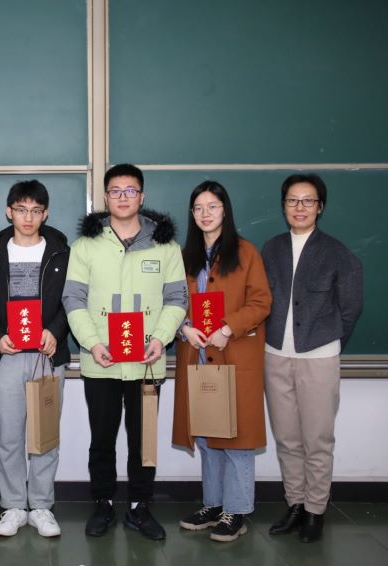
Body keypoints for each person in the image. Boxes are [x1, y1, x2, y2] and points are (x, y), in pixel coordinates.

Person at [62, 163, 187, 541]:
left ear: (142, 197)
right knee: (102, 437)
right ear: (105, 197)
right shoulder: (85, 246)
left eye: (130, 190)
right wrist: (93, 343)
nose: (122, 197)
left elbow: (177, 299)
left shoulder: (166, 247)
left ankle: (139, 506)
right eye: (115, 191)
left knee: (142, 439)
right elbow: (73, 299)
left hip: (147, 363)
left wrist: (160, 338)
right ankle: (102, 503)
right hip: (101, 360)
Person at [261, 173, 363, 543]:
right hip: (274, 355)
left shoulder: (337, 253)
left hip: (319, 357)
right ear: (283, 206)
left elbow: (350, 309)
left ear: (320, 207)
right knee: (287, 439)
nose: (299, 207)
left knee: (317, 439)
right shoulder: (271, 249)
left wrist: (328, 342)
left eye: (308, 200)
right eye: (292, 200)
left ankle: (315, 511)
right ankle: (295, 504)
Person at [171, 181, 272, 542]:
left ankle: (237, 510)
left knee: (235, 438)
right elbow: (172, 302)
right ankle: (213, 504)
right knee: (205, 434)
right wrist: (184, 328)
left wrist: (228, 328)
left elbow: (261, 302)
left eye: (212, 206)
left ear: (225, 210)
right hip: (196, 356)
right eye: (198, 208)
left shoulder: (245, 252)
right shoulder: (184, 256)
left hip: (233, 356)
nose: (205, 214)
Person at [0, 180, 70, 538]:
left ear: (45, 214)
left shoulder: (61, 253)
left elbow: (73, 299)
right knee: (10, 436)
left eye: (35, 210)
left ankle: (42, 506)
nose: (28, 217)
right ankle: (14, 505)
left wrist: (56, 330)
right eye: (21, 210)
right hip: (9, 355)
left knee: (46, 434)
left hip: (47, 356)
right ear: (9, 212)